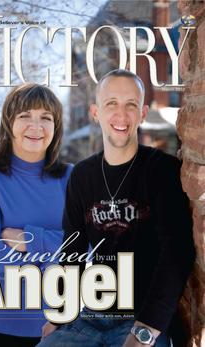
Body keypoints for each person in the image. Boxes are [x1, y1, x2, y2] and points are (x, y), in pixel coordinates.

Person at [37, 70, 195, 347]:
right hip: (90, 317)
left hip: (142, 320)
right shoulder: (82, 176)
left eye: (131, 104)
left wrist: (145, 331)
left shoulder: (162, 170)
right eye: (111, 103)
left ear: (143, 113)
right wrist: (61, 313)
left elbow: (177, 253)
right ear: (95, 112)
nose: (121, 115)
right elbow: (72, 251)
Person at [0, 84, 73, 347]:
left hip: (59, 331)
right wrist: (57, 255)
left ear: (56, 127)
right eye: (25, 116)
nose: (36, 126)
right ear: (8, 124)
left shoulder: (73, 179)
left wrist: (30, 240)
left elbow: (89, 246)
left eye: (46, 118)